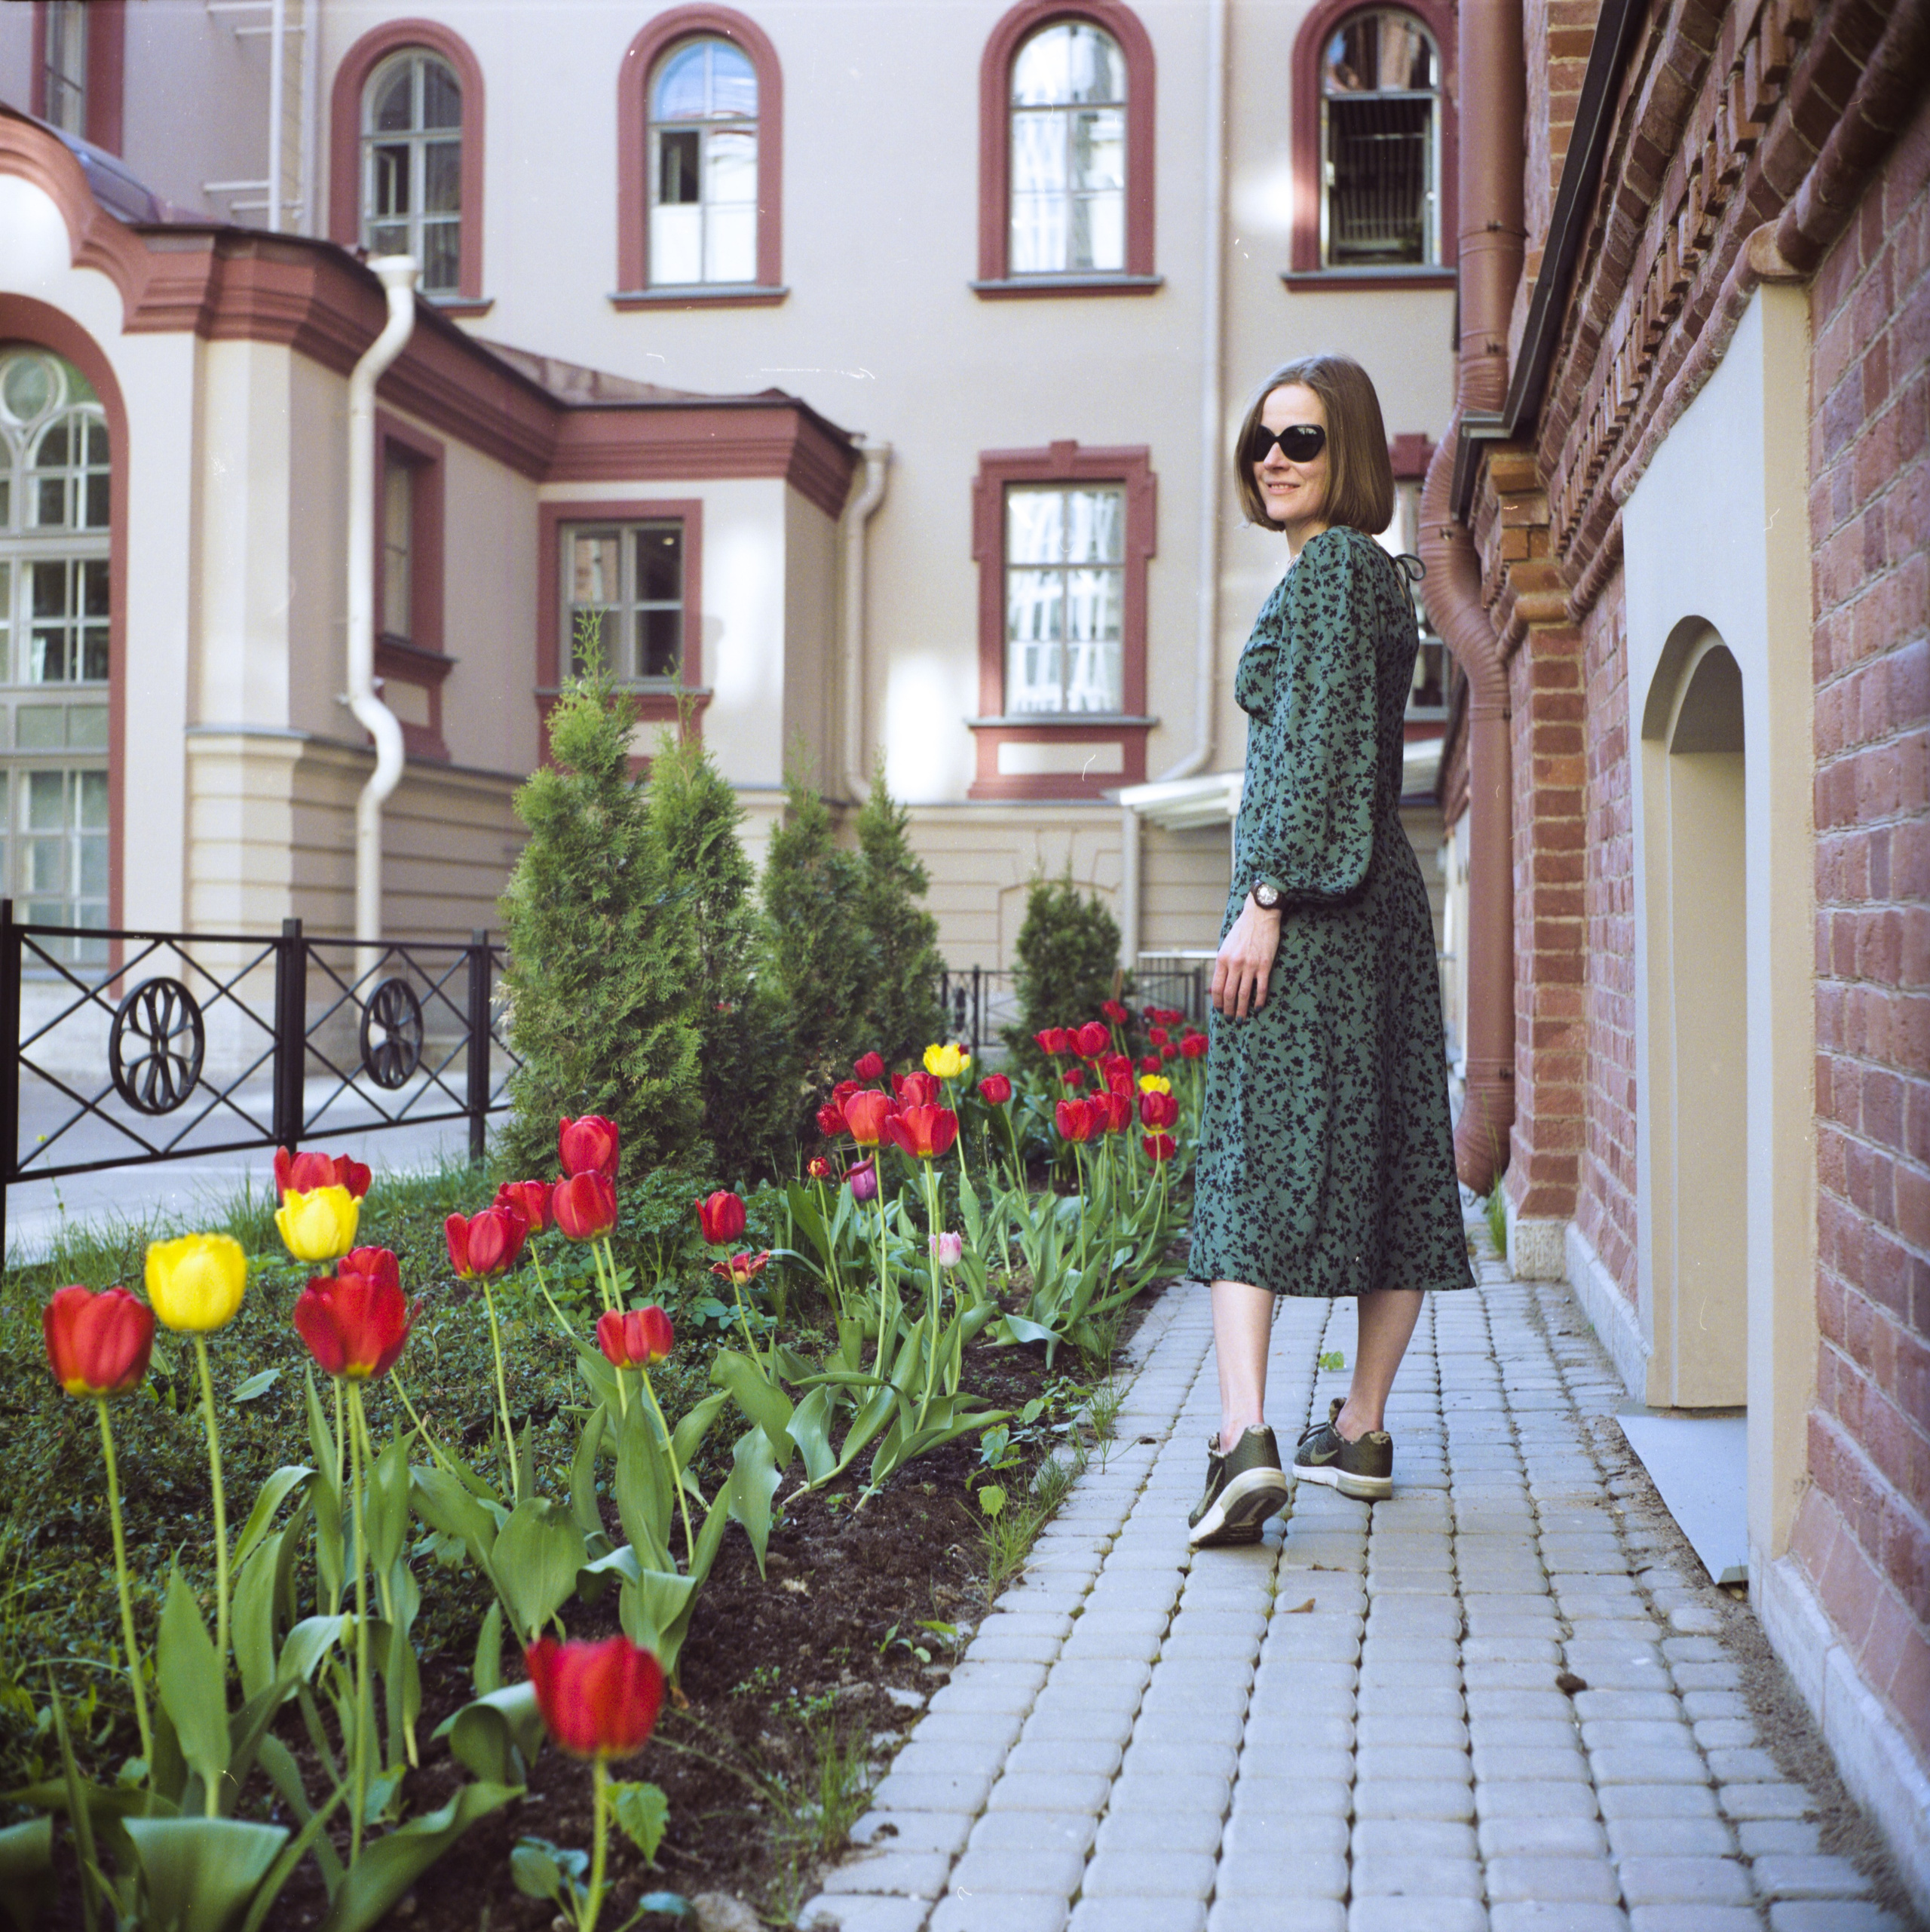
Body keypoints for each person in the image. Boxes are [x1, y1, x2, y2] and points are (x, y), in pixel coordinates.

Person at [1186, 353, 1474, 1549]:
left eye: (1300, 440)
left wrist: (1264, 897)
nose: (1273, 458)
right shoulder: (1370, 582)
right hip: (1380, 911)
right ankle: (1358, 1431)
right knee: (1397, 1146)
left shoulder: (1331, 576)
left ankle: (1244, 1438)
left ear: (1345, 451)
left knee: (1250, 1151)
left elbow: (1309, 764)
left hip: (1311, 907)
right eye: (1262, 440)